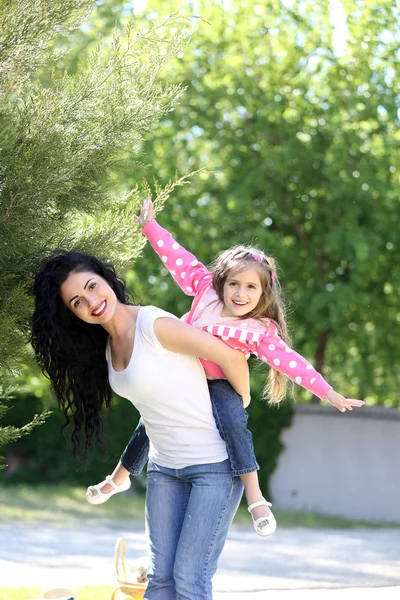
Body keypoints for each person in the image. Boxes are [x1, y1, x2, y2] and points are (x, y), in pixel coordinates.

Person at [86, 197, 364, 537]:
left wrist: (328, 392)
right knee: (150, 418)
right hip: (180, 374)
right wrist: (150, 227)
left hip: (219, 385)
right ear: (222, 282)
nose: (240, 293)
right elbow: (179, 259)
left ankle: (256, 497)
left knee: (234, 422)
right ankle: (119, 478)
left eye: (251, 287)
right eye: (234, 284)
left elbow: (292, 363)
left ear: (263, 294)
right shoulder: (206, 291)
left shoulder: (260, 330)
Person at [30, 250, 251, 600]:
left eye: (92, 286)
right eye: (77, 301)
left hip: (214, 468)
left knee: (190, 578)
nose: (91, 301)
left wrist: (240, 404)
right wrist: (117, 479)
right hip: (164, 471)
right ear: (72, 313)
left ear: (107, 279)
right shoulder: (106, 347)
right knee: (160, 580)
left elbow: (231, 356)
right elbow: (151, 416)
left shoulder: (153, 325)